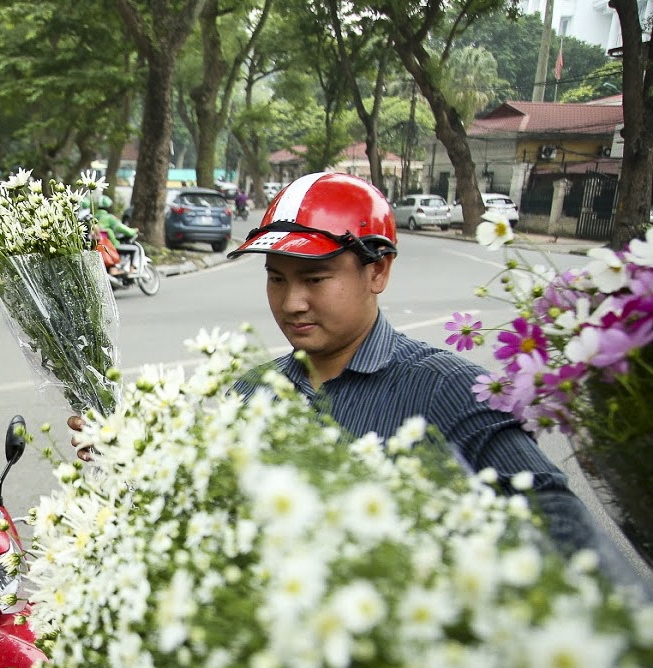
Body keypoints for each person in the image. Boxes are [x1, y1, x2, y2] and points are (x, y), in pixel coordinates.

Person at [71, 172, 600, 557]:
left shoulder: (447, 390)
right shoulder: (251, 393)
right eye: (276, 278)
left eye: (316, 278)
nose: (291, 301)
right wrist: (131, 454)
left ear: (378, 271)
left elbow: (564, 528)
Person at [95, 195, 140, 274]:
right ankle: (131, 270)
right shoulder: (109, 218)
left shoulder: (93, 216)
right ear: (108, 207)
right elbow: (122, 228)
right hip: (109, 245)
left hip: (96, 245)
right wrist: (133, 231)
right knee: (135, 249)